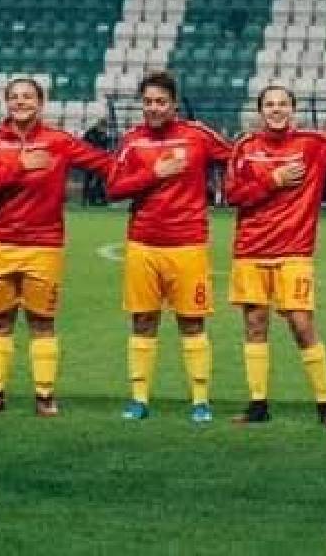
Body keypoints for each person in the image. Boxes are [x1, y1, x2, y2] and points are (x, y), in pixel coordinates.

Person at [223, 84, 326, 428]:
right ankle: (258, 405)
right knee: (255, 325)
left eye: (283, 104)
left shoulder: (313, 145)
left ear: (293, 108)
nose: (277, 110)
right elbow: (231, 195)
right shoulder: (245, 148)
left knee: (301, 325)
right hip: (251, 250)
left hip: (294, 252)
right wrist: (273, 180)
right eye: (270, 105)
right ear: (260, 111)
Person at [0, 77, 115, 416]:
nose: (21, 102)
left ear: (41, 102)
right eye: (15, 97)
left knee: (42, 321)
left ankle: (44, 396)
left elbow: (106, 164)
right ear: (6, 103)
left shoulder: (58, 141)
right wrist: (18, 166)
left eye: (28, 97)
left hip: (44, 245)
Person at [104, 70, 232, 424]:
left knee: (192, 324)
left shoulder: (198, 136)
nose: (154, 108)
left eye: (161, 102)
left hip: (188, 244)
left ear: (174, 104)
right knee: (143, 321)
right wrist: (155, 174)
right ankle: (139, 399)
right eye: (147, 102)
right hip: (143, 244)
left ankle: (201, 401)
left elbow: (238, 157)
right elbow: (113, 189)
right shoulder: (132, 141)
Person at [80, 118, 112, 207]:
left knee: (99, 181)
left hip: (99, 161)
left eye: (105, 128)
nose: (104, 130)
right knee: (88, 180)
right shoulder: (90, 133)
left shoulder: (104, 135)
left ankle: (95, 199)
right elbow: (83, 144)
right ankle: (85, 199)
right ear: (99, 125)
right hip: (89, 160)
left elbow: (105, 148)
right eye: (103, 127)